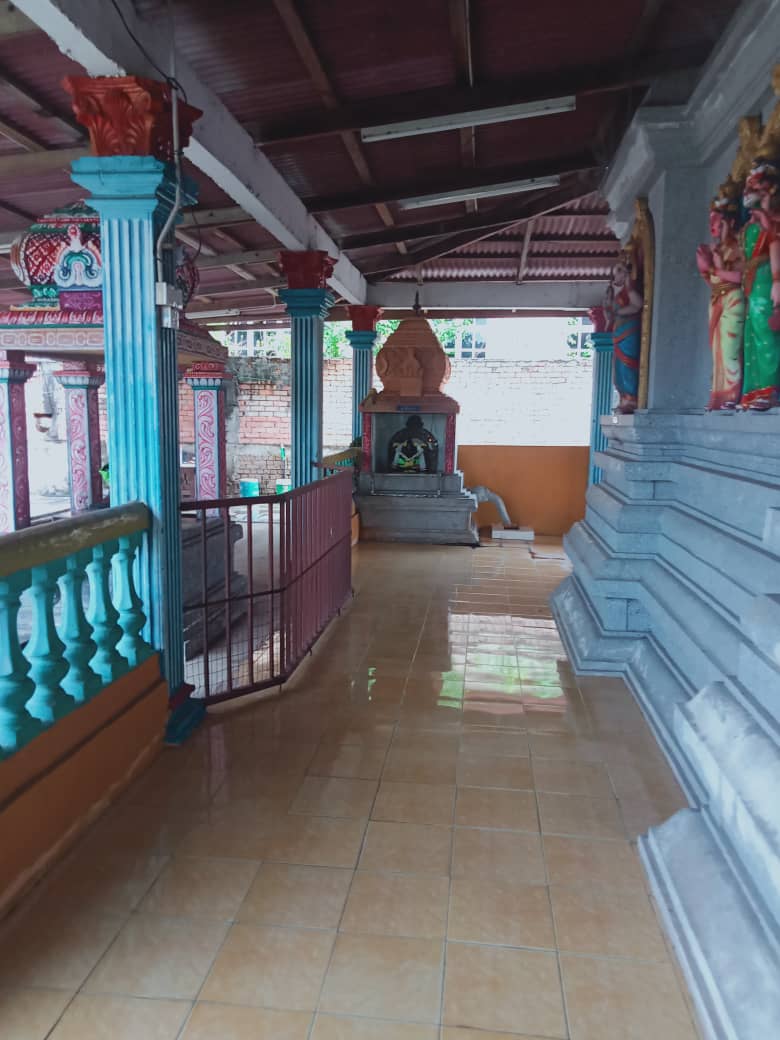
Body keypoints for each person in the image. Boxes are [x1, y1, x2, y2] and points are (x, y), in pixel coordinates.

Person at [696, 177, 745, 410]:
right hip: (717, 300)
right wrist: (705, 269)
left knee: (729, 350)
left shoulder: (738, 246)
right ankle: (718, 396)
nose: (714, 228)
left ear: (731, 222)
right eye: (712, 223)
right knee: (717, 353)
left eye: (719, 222)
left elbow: (742, 277)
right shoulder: (718, 249)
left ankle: (732, 395)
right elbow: (714, 281)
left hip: (734, 300)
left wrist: (715, 268)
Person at [610, 251, 643, 414]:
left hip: (629, 332)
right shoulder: (618, 291)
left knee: (627, 365)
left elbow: (637, 305)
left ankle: (631, 399)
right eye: (615, 272)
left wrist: (619, 312)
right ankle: (623, 397)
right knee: (618, 369)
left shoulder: (629, 288)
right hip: (619, 334)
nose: (616, 275)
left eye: (619, 271)